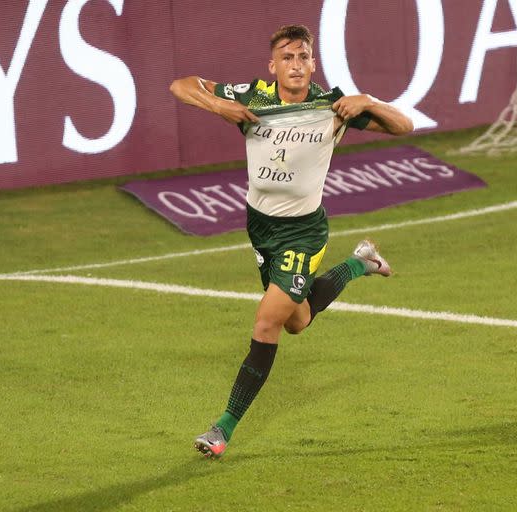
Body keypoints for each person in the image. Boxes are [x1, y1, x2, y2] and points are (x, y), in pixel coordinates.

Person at [169, 24, 413, 458]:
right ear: (273, 65)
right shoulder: (252, 96)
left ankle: (222, 429)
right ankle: (361, 262)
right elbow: (181, 85)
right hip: (260, 227)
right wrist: (217, 105)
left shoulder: (332, 106)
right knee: (297, 321)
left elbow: (404, 126)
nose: (295, 65)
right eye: (287, 57)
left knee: (267, 322)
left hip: (303, 231)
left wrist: (370, 101)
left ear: (313, 64)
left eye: (303, 57)